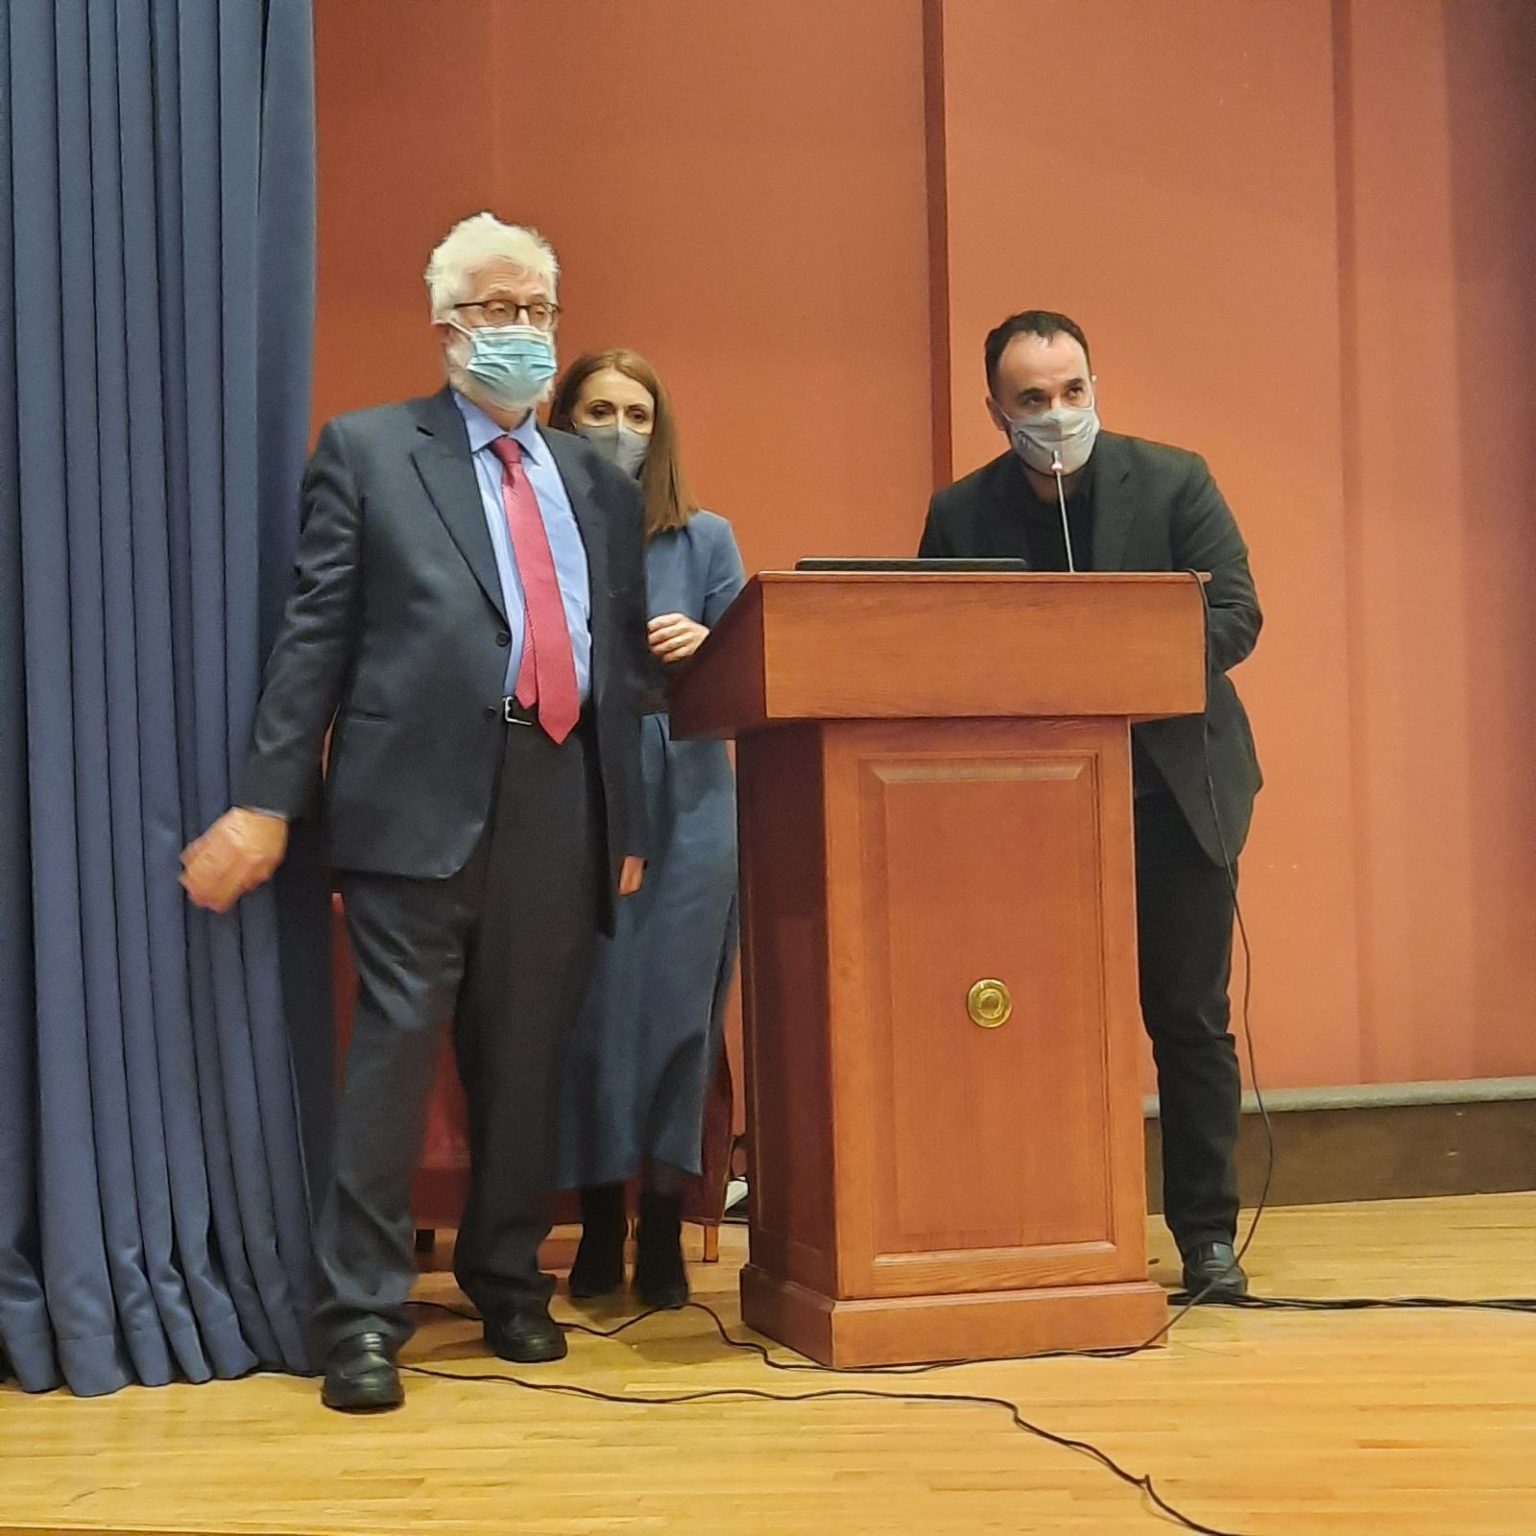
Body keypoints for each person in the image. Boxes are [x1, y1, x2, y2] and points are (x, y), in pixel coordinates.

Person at [179, 214, 653, 1411]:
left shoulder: (597, 484)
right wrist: (268, 798)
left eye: (539, 310)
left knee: (526, 1061)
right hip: (412, 800)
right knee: (393, 1063)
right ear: (447, 328)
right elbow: (315, 640)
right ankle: (361, 1318)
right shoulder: (370, 451)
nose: (523, 331)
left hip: (561, 796)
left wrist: (629, 823)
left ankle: (509, 1284)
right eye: (498, 309)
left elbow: (618, 666)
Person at [918, 310, 1262, 1300]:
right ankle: (1046, 1219)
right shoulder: (959, 513)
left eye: (1073, 391)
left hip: (1174, 796)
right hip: (1027, 811)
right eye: (1032, 399)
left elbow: (1236, 615)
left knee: (1187, 1019)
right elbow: (934, 641)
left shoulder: (1176, 480)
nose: (1056, 413)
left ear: (1094, 388)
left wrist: (1107, 658)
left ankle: (1205, 1236)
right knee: (1033, 1020)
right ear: (997, 412)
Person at [547, 349, 745, 1309]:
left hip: (690, 791)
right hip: (577, 779)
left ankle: (663, 1220)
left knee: (677, 1013)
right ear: (563, 419)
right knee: (587, 1012)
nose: (618, 429)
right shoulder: (537, 529)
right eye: (598, 411)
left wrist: (708, 648)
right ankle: (598, 1220)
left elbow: (751, 685)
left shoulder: (706, 539)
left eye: (636, 413)